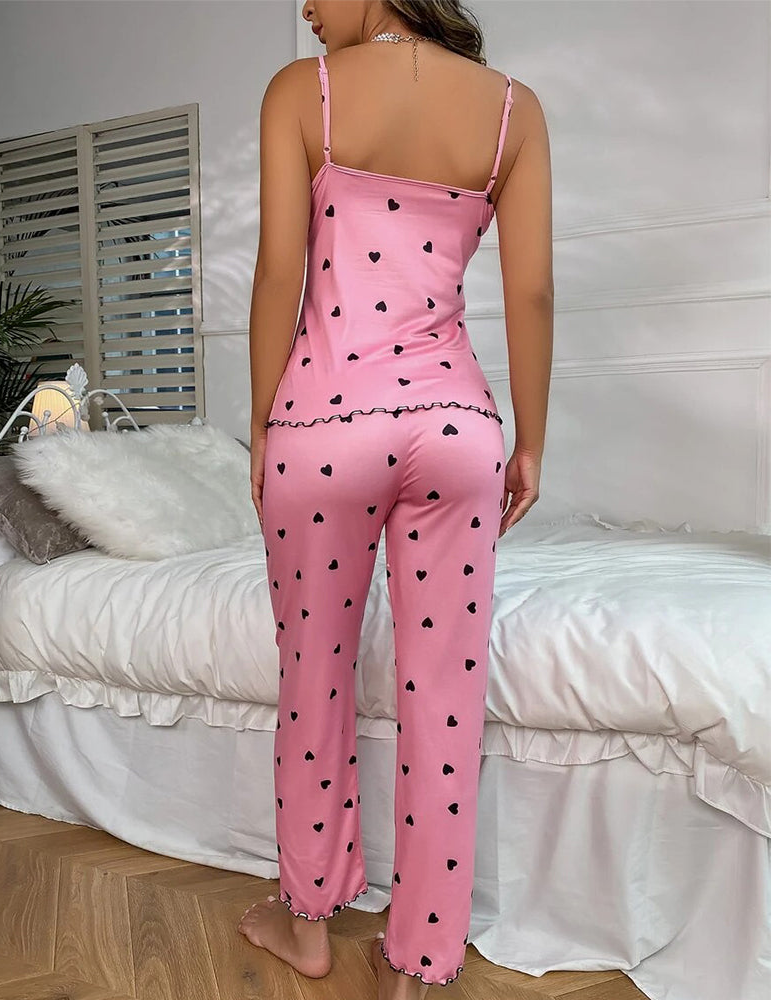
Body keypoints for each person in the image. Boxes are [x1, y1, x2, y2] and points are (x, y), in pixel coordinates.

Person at [239, 2, 553, 997]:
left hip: (324, 427)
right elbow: (532, 292)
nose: (304, 7)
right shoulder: (512, 109)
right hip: (457, 430)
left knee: (314, 677)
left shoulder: (303, 92)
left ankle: (307, 923)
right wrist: (530, 439)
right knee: (443, 696)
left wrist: (263, 423)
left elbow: (278, 274)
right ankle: (419, 961)